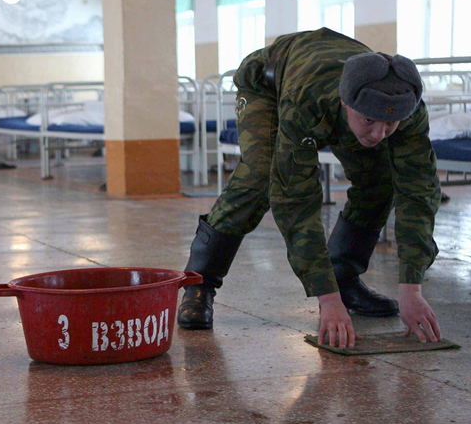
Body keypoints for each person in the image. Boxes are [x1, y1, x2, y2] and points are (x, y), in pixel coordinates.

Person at [177, 28, 443, 349]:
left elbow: (419, 192)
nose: (378, 134)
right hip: (270, 83)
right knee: (260, 178)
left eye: (390, 124)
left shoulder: (406, 108)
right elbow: (295, 199)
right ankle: (199, 283)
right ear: (346, 104)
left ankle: (344, 277)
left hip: (331, 90)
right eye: (369, 121)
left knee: (379, 182)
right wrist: (326, 299)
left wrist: (411, 287)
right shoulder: (307, 101)